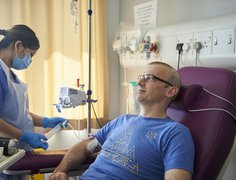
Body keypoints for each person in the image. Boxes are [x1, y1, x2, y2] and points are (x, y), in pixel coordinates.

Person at [49, 61, 195, 180]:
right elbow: (85, 146)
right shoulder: (122, 120)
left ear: (170, 91)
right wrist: (59, 172)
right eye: (141, 77)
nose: (140, 82)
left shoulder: (175, 133)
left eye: (149, 78)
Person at [0, 25, 67, 179]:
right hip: (4, 152)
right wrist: (23, 135)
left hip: (16, 151)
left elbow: (17, 111)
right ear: (18, 45)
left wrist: (44, 121)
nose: (29, 61)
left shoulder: (8, 73)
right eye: (30, 54)